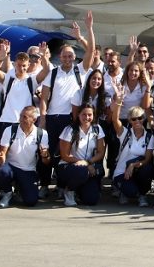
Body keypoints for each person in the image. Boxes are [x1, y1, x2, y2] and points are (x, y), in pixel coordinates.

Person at [37, 11, 96, 195]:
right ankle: (44, 184)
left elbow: (91, 51)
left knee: (67, 154)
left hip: (71, 119)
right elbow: (44, 98)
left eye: (70, 56)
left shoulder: (80, 70)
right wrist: (43, 118)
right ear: (60, 57)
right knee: (47, 151)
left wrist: (87, 30)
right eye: (64, 56)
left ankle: (62, 186)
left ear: (74, 58)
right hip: (52, 119)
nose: (68, 59)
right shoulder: (53, 73)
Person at [0, 105, 51, 207]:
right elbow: (2, 153)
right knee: (2, 171)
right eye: (21, 116)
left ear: (34, 120)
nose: (21, 119)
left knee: (31, 201)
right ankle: (7, 192)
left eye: (25, 117)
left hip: (29, 170)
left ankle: (19, 189)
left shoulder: (42, 133)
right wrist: (2, 159)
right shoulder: (9, 130)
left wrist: (44, 155)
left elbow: (46, 161)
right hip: (11, 167)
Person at [57, 103, 107, 206]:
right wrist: (85, 164)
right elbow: (65, 155)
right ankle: (69, 190)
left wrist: (88, 162)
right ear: (78, 115)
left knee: (91, 200)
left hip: (88, 167)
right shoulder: (70, 129)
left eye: (90, 115)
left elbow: (101, 152)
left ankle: (78, 191)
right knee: (81, 172)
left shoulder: (97, 129)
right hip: (69, 166)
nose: (87, 117)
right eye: (84, 114)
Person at [110, 105, 154, 206]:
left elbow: (147, 159)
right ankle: (125, 192)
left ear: (144, 119)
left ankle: (142, 195)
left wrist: (132, 165)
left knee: (148, 168)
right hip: (121, 172)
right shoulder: (125, 133)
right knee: (131, 192)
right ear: (130, 120)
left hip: (137, 169)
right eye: (134, 119)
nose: (137, 121)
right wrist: (118, 103)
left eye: (140, 118)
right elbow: (115, 120)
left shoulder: (149, 137)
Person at [0, 51, 40, 136]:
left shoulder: (32, 80)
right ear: (14, 65)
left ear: (28, 65)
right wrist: (0, 59)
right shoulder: (8, 79)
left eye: (24, 65)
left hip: (26, 122)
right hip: (7, 120)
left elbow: (46, 71)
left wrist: (44, 56)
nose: (21, 68)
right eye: (19, 65)